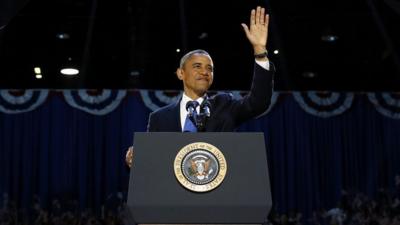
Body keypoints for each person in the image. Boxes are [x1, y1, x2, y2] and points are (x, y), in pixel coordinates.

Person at [126, 6, 275, 167]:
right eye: (197, 66)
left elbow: (258, 102)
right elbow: (151, 162)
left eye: (209, 68)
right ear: (180, 73)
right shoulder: (160, 118)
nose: (205, 72)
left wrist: (260, 51)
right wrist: (135, 160)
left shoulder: (224, 105)